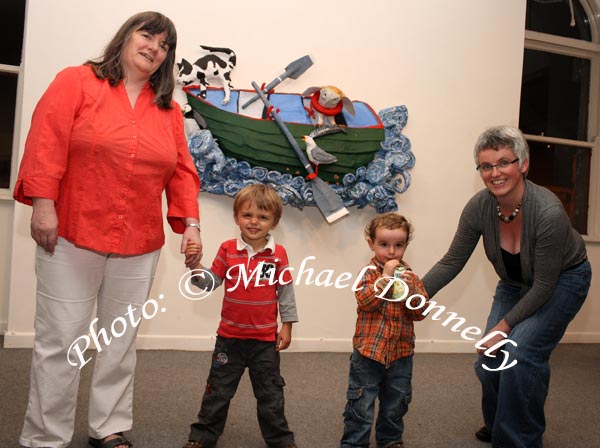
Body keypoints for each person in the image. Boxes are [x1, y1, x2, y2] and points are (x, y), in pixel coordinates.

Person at [13, 11, 202, 448]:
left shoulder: (169, 111)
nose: (155, 48)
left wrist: (190, 224)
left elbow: (181, 172)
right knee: (61, 340)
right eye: (147, 36)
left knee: (120, 340)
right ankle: (45, 437)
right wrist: (43, 204)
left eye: (164, 45)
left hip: (139, 242)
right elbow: (47, 140)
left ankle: (107, 427)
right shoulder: (77, 81)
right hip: (72, 233)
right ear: (125, 37)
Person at [421, 125, 591, 448]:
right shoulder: (479, 207)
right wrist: (419, 293)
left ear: (523, 164)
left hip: (564, 280)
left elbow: (543, 285)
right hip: (515, 283)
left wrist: (504, 326)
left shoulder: (548, 212)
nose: (495, 172)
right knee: (488, 359)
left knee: (520, 354)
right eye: (487, 165)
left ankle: (517, 439)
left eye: (504, 162)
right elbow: (451, 261)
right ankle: (500, 420)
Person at [182, 184, 298, 448]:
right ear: (236, 217)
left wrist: (288, 325)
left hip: (265, 342)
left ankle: (280, 439)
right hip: (229, 339)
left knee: (270, 395)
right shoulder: (227, 249)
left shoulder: (277, 255)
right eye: (247, 215)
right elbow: (212, 282)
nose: (254, 222)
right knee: (217, 392)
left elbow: (285, 291)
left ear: (274, 222)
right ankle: (202, 436)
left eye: (263, 217)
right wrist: (196, 267)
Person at [340, 212, 429, 448]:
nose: (391, 252)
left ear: (406, 245)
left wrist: (411, 290)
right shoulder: (368, 274)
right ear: (371, 244)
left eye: (398, 245)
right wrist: (386, 278)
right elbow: (366, 302)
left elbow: (420, 313)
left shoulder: (411, 277)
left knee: (396, 402)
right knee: (361, 403)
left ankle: (390, 439)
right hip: (369, 352)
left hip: (400, 353)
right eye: (384, 244)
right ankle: (355, 443)